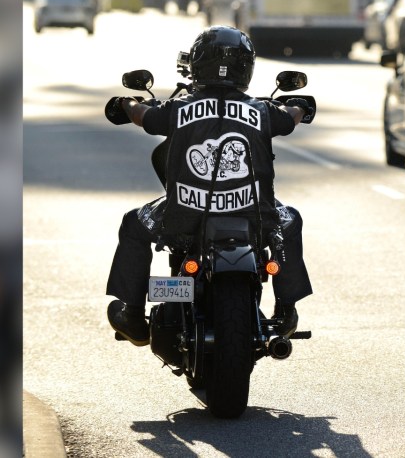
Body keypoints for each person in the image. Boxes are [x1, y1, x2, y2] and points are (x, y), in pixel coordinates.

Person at [105, 25, 314, 346]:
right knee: (291, 220)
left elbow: (143, 116)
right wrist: (301, 106)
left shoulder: (178, 109)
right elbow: (290, 117)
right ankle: (286, 311)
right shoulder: (262, 111)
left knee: (134, 222)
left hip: (184, 216)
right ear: (246, 67)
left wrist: (126, 103)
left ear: (197, 65)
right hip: (255, 214)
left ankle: (132, 316)